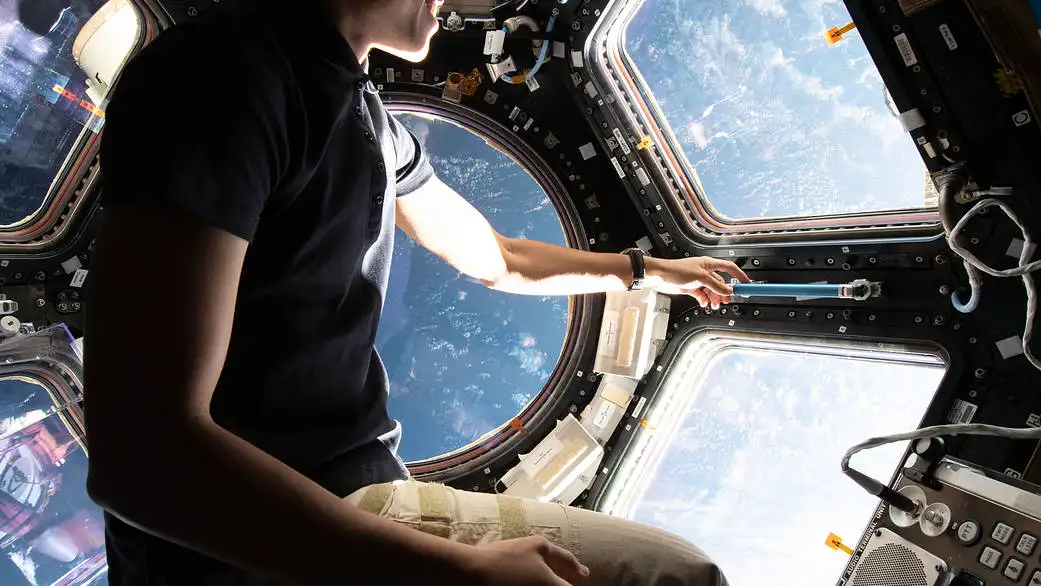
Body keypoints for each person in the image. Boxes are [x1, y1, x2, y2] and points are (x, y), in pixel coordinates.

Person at [82, 0, 748, 584]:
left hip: (356, 500)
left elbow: (500, 259)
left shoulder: (368, 118)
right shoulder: (225, 72)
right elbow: (142, 455)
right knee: (669, 578)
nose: (457, 5)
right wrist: (456, 570)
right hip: (242, 551)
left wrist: (645, 271)